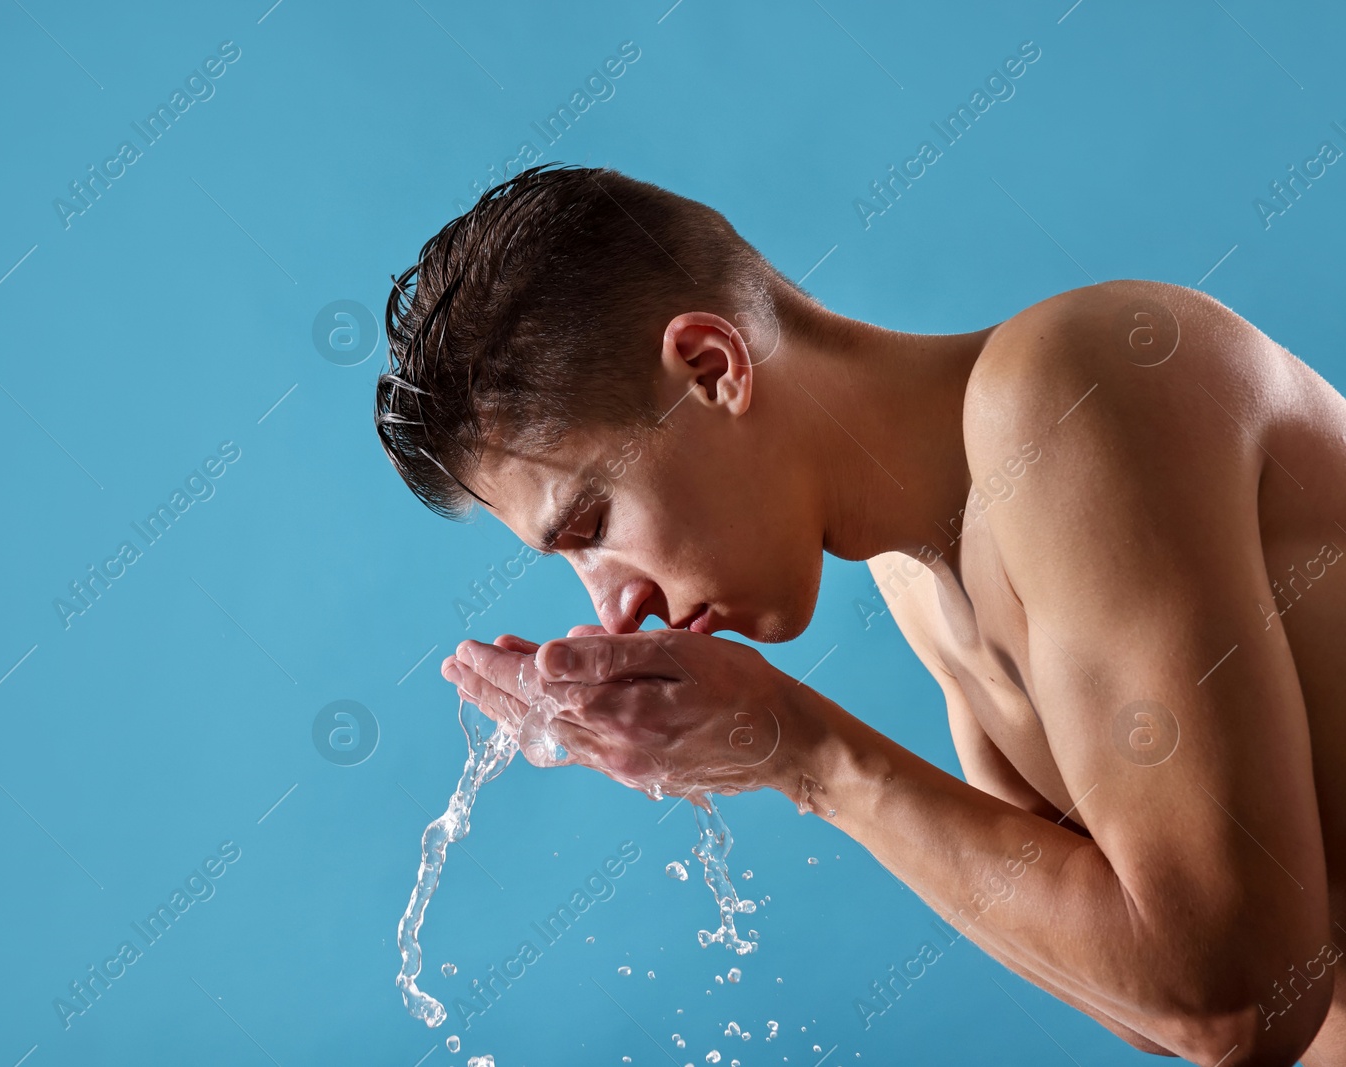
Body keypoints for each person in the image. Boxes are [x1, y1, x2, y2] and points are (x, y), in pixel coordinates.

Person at [374, 162, 1346, 1066]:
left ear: (713, 367)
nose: (615, 605)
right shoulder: (919, 580)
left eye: (590, 523)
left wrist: (803, 753)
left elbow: (1241, 1001)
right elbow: (1150, 1003)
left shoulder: (1070, 387)